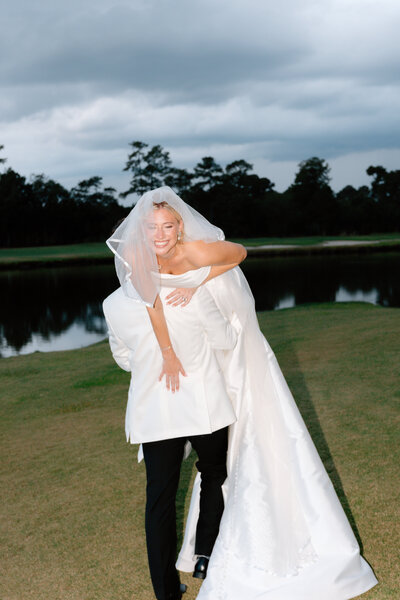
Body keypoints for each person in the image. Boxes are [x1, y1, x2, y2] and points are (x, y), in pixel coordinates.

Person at [105, 186, 378, 600]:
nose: (160, 234)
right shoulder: (187, 296)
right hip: (204, 406)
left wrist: (155, 363)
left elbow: (123, 357)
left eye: (167, 225)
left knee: (157, 501)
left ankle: (165, 591)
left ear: (179, 228)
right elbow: (226, 340)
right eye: (153, 228)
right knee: (215, 471)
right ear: (143, 234)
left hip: (152, 411)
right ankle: (206, 553)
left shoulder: (113, 302)